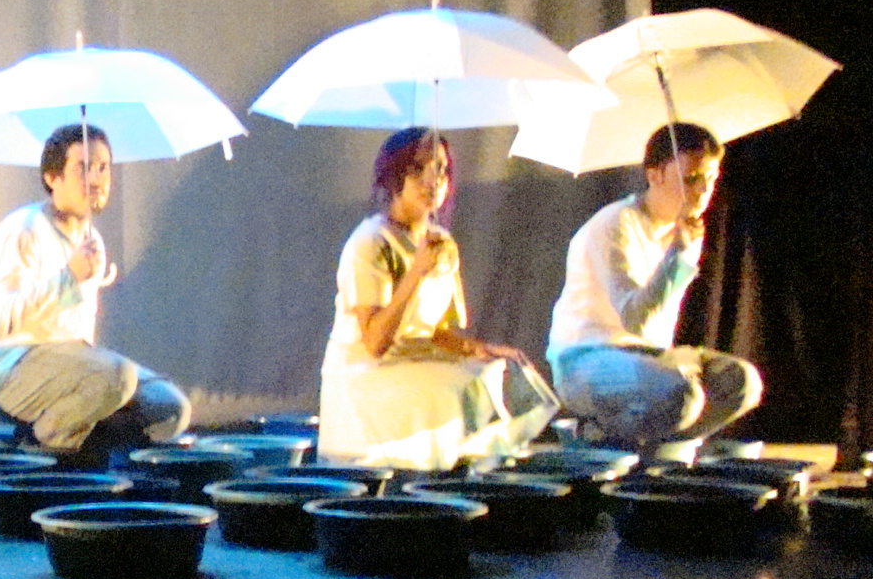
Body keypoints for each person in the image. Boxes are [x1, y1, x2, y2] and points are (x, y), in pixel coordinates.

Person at [318, 127, 557, 468]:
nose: (433, 181)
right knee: (456, 389)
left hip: (417, 362)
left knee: (499, 374)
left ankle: (496, 472)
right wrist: (415, 272)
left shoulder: (441, 243)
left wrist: (481, 350)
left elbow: (437, 332)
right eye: (419, 169)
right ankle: (444, 473)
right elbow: (374, 342)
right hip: (367, 373)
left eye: (441, 170)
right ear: (394, 177)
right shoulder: (371, 242)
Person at [0, 122, 192, 464]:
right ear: (52, 177)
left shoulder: (90, 240)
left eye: (103, 168)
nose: (96, 179)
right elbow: (0, 321)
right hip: (9, 364)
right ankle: (44, 450)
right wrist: (68, 278)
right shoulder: (24, 229)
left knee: (169, 407)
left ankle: (82, 446)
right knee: (116, 378)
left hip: (66, 359)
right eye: (83, 168)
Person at [547, 121, 761, 456]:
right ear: (655, 175)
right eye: (691, 178)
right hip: (587, 359)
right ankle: (598, 436)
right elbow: (636, 321)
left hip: (646, 356)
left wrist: (675, 360)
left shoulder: (683, 232)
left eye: (711, 178)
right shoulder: (617, 224)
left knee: (742, 381)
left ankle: (654, 448)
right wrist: (678, 256)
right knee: (679, 393)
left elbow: (655, 330)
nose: (703, 191)